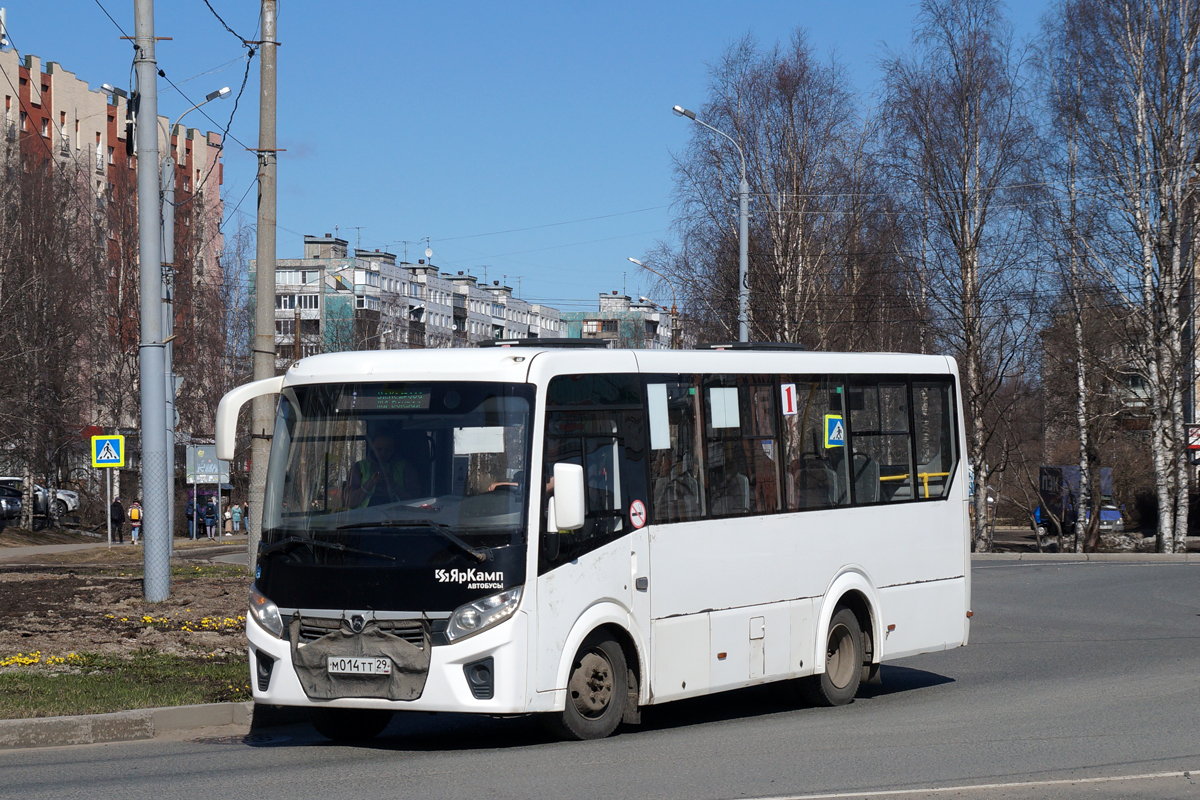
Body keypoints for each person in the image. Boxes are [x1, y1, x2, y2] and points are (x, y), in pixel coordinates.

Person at [345, 419, 420, 508]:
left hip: (398, 517)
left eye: (387, 450)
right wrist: (370, 482)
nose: (383, 454)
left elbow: (417, 501)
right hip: (364, 519)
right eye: (379, 449)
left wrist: (394, 486)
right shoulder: (358, 468)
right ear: (372, 446)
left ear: (394, 449)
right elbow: (349, 502)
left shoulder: (405, 468)